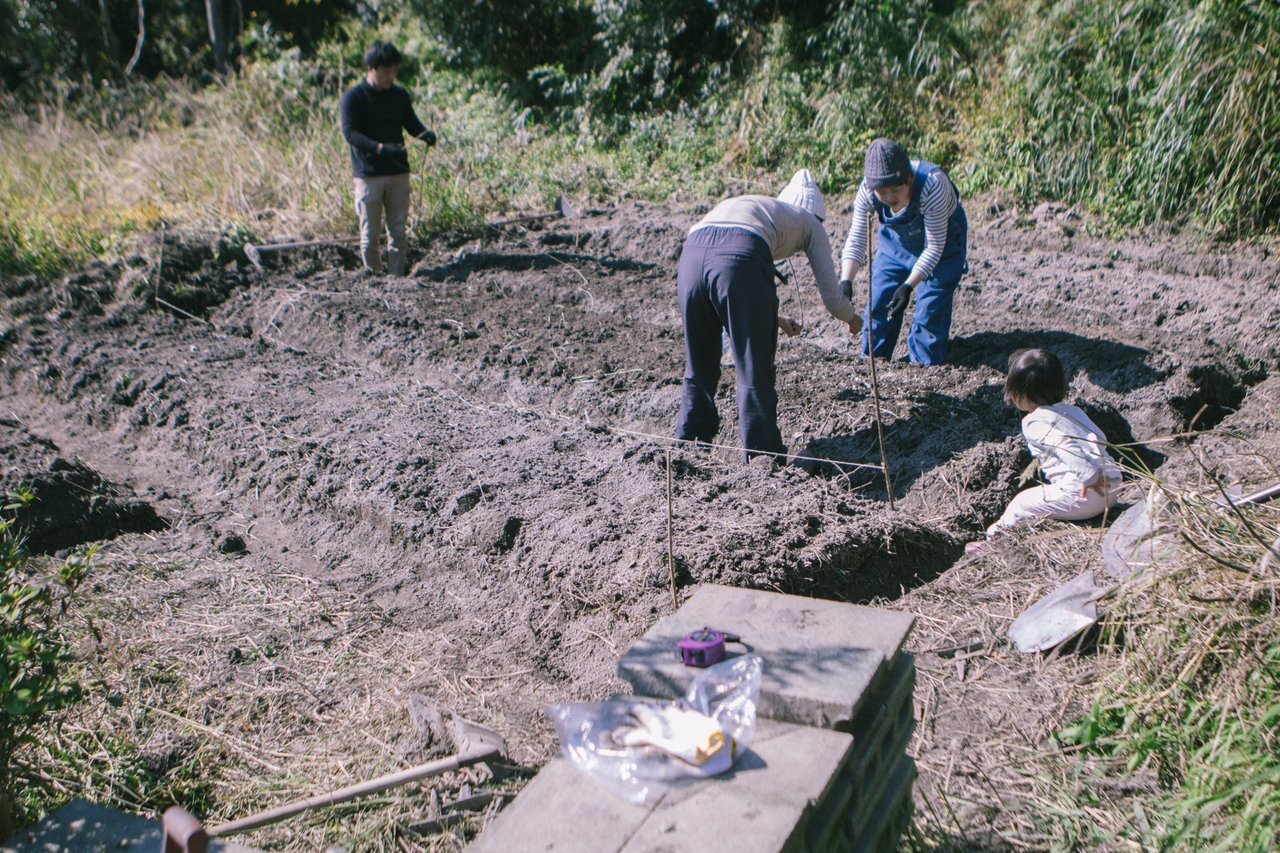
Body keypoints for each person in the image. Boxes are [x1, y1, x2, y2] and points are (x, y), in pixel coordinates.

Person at [675, 169, 861, 461]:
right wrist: (852, 319)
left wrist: (775, 320)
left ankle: (687, 452)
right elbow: (832, 298)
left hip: (691, 254)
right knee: (753, 371)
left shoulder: (762, 209)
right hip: (739, 255)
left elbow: (727, 290)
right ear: (818, 214)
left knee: (699, 367)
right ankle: (764, 461)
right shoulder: (810, 223)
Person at [967, 348, 1124, 553]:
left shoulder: (1034, 422)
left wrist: (1089, 477)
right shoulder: (1074, 411)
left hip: (1088, 492)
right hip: (1112, 487)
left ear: (1019, 394)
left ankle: (991, 540)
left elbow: (1063, 444)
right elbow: (1099, 439)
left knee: (1021, 502)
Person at [839, 138, 967, 364]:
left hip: (942, 246)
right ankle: (874, 362)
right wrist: (846, 282)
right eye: (882, 192)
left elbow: (934, 246)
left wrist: (908, 286)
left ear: (908, 179)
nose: (889, 198)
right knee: (879, 304)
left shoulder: (932, 185)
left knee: (929, 312)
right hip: (895, 246)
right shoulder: (868, 190)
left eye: (896, 190)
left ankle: (921, 367)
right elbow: (857, 237)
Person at [340, 41, 437, 275]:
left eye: (394, 70)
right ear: (371, 68)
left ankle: (397, 278)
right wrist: (380, 148)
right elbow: (351, 134)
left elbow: (410, 123)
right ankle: (373, 277)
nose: (390, 76)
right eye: (385, 71)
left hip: (398, 172)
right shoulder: (353, 97)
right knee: (370, 233)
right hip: (369, 174)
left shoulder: (399, 95)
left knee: (398, 231)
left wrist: (425, 134)